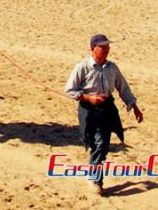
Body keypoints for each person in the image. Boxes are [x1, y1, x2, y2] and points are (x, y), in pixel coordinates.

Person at [65, 34, 144, 195]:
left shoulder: (112, 68)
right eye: (103, 47)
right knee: (98, 144)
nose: (106, 50)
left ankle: (93, 175)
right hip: (88, 110)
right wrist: (88, 98)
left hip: (107, 110)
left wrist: (134, 106)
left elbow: (123, 88)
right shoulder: (82, 67)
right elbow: (70, 90)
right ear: (92, 49)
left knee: (103, 144)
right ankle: (95, 179)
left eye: (108, 47)